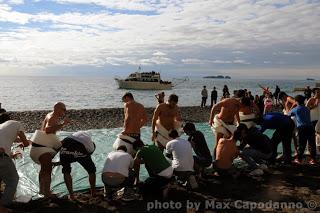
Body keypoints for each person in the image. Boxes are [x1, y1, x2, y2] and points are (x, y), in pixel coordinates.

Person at [30, 102, 70, 197]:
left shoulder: (49, 114)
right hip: (42, 148)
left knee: (44, 169)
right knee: (47, 170)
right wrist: (63, 124)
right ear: (57, 108)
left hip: (39, 146)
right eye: (63, 109)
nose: (65, 111)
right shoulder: (53, 117)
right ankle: (47, 193)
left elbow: (43, 130)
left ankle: (42, 190)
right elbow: (47, 130)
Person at [0, 113, 31, 208]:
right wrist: (26, 142)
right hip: (2, 155)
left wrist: (11, 154)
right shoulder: (17, 123)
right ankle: (5, 205)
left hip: (2, 155)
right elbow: (25, 142)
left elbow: (10, 140)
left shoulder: (1, 128)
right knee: (13, 180)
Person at [58, 131, 96, 200]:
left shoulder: (73, 135)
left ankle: (71, 196)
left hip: (65, 147)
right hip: (79, 148)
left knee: (66, 170)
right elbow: (88, 153)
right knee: (91, 170)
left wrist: (62, 160)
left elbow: (60, 144)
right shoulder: (90, 146)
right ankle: (93, 192)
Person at [209, 90, 245, 159]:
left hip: (230, 125)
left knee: (228, 144)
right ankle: (214, 160)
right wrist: (210, 119)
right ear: (239, 97)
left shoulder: (239, 105)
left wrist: (239, 124)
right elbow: (214, 107)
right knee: (218, 143)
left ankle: (226, 159)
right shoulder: (227, 101)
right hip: (220, 123)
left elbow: (236, 114)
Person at [288, 95, 317, 165]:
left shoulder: (296, 109)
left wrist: (292, 106)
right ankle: (313, 159)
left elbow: (288, 114)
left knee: (301, 144)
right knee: (312, 144)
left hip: (302, 127)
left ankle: (298, 159)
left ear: (296, 101)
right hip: (310, 127)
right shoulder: (307, 108)